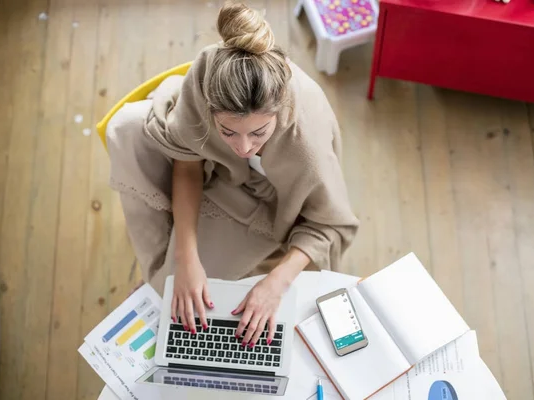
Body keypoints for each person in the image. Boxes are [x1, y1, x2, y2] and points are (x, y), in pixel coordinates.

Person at [107, 3, 358, 348]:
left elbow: (331, 225)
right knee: (126, 130)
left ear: (279, 109)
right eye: (228, 132)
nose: (243, 147)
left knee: (175, 297)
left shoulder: (307, 148)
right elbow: (189, 161)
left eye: (258, 133)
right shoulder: (207, 72)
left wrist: (275, 284)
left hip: (269, 205)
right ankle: (160, 281)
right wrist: (186, 258)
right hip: (218, 175)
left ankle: (155, 288)